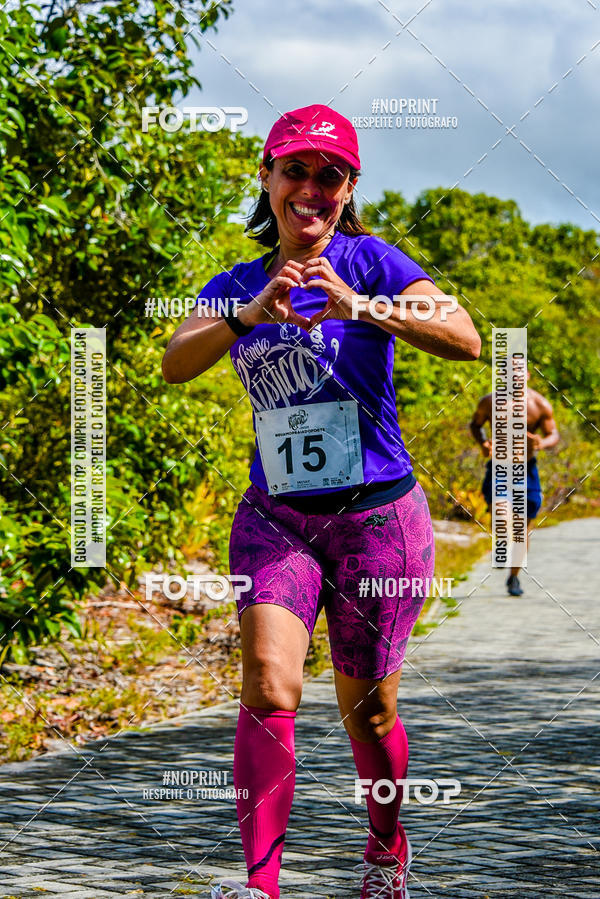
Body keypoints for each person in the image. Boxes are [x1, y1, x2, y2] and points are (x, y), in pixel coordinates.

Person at [162, 103, 481, 899]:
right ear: (267, 177)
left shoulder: (372, 262)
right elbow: (175, 361)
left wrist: (359, 305)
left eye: (329, 174)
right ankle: (260, 886)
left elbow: (466, 337)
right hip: (278, 519)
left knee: (367, 711)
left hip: (378, 520)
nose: (310, 187)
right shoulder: (237, 283)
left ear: (348, 188)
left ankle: (386, 844)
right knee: (269, 683)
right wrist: (248, 315)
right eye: (294, 169)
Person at [470, 369, 560, 596]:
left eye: (519, 371)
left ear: (527, 375)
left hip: (526, 470)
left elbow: (553, 434)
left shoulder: (539, 404)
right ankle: (501, 543)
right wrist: (483, 443)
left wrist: (540, 443)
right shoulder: (490, 401)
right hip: (499, 468)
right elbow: (475, 425)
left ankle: (514, 577)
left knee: (522, 527)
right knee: (501, 515)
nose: (515, 376)